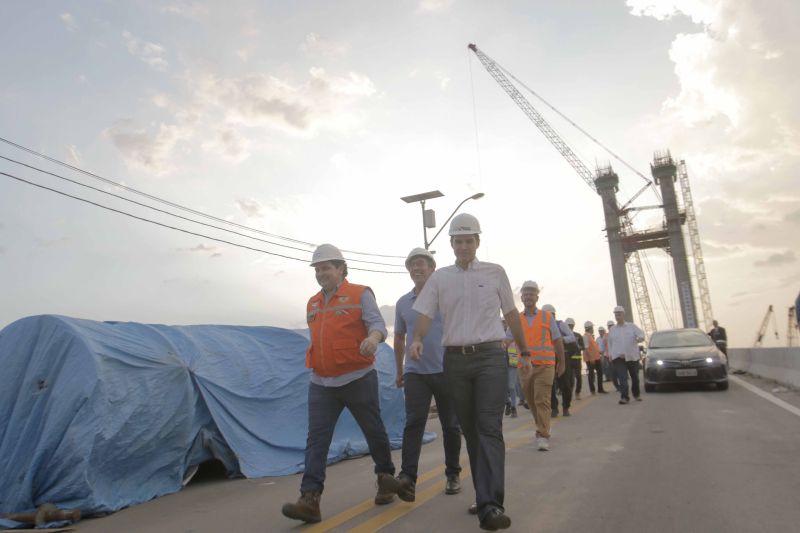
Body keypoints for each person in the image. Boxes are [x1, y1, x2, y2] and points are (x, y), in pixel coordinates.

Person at [410, 213, 529, 531]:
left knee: (489, 427)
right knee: (471, 432)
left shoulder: (495, 272)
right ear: (451, 244)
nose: (464, 246)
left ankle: (491, 505)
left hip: (491, 357)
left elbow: (511, 313)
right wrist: (418, 339)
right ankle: (484, 494)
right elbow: (424, 313)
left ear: (478, 242)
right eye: (458, 241)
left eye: (469, 241)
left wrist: (525, 351)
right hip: (456, 362)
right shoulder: (440, 278)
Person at [282, 244, 407, 524]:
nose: (320, 273)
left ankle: (385, 478)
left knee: (373, 431)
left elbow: (377, 325)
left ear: (341, 268)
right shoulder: (313, 303)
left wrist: (373, 340)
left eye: (325, 267)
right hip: (321, 382)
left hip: (357, 378)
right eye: (317, 269)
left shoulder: (360, 293)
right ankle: (310, 499)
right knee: (317, 440)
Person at [393, 247, 462, 502]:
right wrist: (399, 370)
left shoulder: (446, 298)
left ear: (432, 268)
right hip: (415, 372)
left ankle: (453, 473)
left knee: (451, 426)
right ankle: (407, 478)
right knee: (414, 424)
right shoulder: (403, 303)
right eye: (411, 265)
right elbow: (399, 338)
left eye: (420, 263)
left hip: (447, 371)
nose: (416, 268)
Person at [508, 281, 564, 452]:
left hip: (545, 365)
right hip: (525, 367)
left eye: (531, 294)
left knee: (542, 400)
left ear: (537, 297)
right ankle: (543, 425)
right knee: (531, 402)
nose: (528, 297)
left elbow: (557, 340)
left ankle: (543, 435)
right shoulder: (516, 318)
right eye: (525, 294)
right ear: (522, 297)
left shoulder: (547, 317)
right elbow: (507, 338)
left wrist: (562, 362)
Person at [607, 306, 645, 405]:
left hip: (632, 357)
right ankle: (624, 397)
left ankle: (636, 394)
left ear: (623, 314)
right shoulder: (612, 330)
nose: (617, 316)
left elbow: (641, 334)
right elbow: (610, 343)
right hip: (618, 358)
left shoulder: (632, 326)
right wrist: (610, 354)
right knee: (622, 378)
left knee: (635, 378)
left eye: (619, 314)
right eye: (616, 314)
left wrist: (639, 339)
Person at [547, 305, 573, 417]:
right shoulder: (541, 326)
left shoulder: (560, 324)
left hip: (562, 356)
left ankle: (566, 407)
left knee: (565, 384)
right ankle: (554, 408)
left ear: (554, 315)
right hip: (547, 357)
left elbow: (571, 337)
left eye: (550, 314)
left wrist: (562, 339)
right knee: (549, 384)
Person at [583, 321, 606, 394]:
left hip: (596, 357)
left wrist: (599, 352)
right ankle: (592, 390)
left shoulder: (590, 336)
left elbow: (593, 347)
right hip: (591, 359)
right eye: (592, 327)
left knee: (599, 373)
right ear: (590, 328)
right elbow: (586, 348)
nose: (593, 329)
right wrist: (591, 358)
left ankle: (600, 389)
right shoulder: (585, 336)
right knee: (591, 374)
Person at [564, 317, 584, 401]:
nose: (570, 327)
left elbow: (583, 346)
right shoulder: (564, 336)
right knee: (570, 378)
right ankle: (570, 393)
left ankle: (577, 393)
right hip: (568, 360)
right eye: (568, 325)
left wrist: (580, 347)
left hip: (577, 359)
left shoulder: (578, 335)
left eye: (571, 325)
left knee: (579, 377)